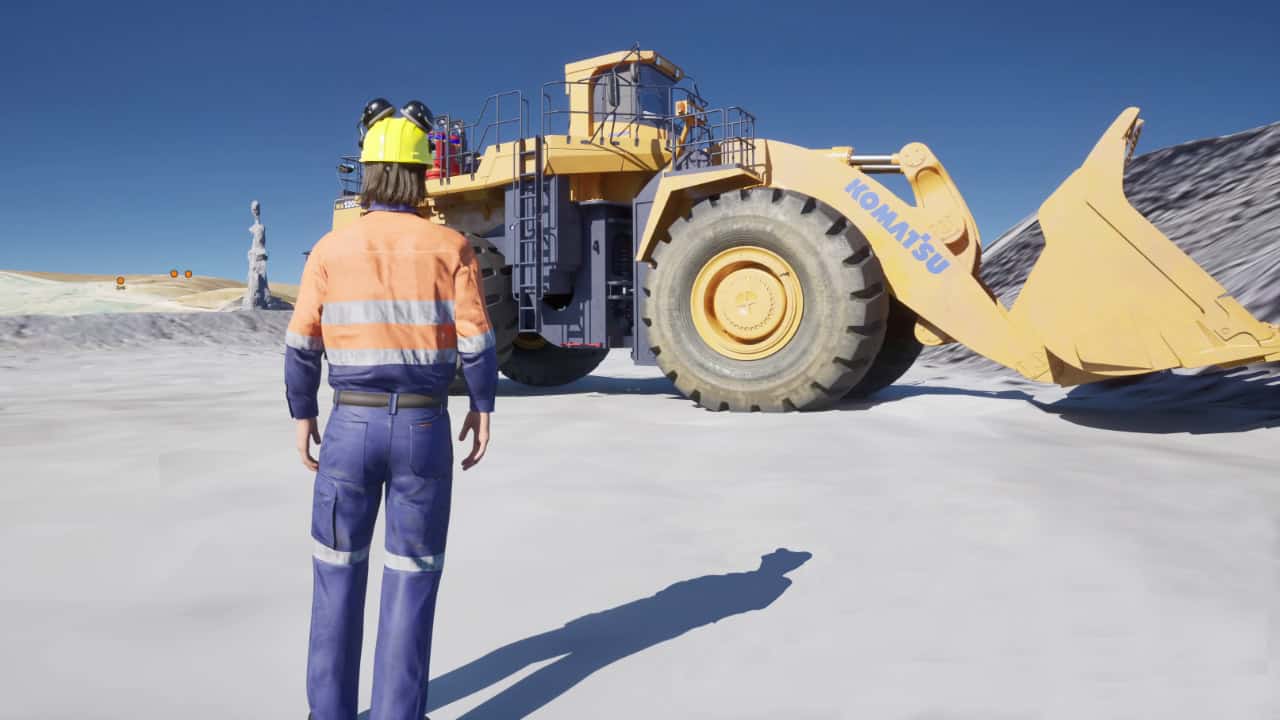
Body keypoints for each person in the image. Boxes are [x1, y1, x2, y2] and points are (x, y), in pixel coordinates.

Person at [284, 106, 498, 720]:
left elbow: (302, 342)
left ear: (370, 172)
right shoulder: (451, 245)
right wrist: (482, 406)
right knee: (411, 579)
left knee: (335, 577)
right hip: (424, 429)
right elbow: (477, 340)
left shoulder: (330, 247)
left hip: (349, 426)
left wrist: (304, 413)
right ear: (425, 171)